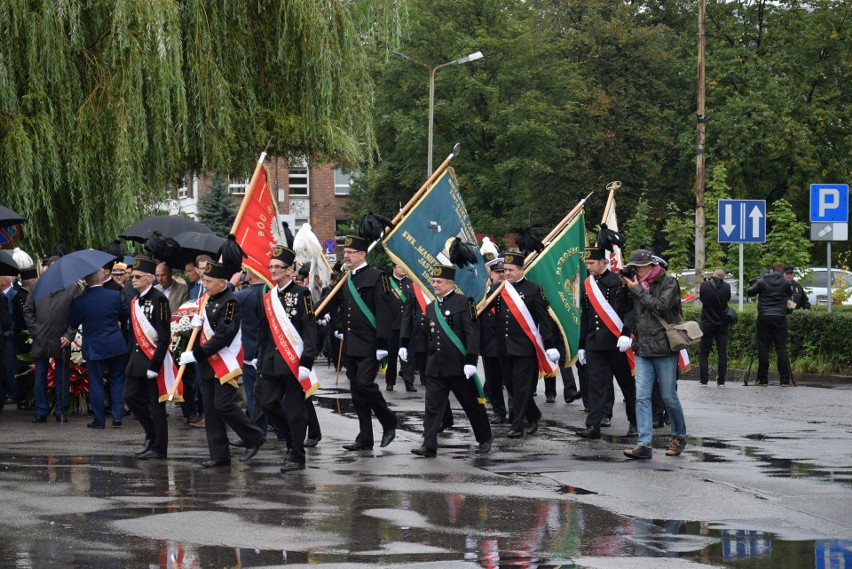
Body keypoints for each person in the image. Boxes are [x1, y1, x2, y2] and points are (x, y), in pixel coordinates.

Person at [178, 260, 266, 467]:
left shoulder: (230, 302)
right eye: (204, 280)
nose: (205, 284)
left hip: (225, 362)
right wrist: (195, 326)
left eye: (209, 281)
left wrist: (196, 355)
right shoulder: (206, 300)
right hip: (208, 363)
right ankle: (219, 454)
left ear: (221, 282)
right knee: (210, 409)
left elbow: (224, 335)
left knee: (223, 404)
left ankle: (254, 437)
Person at [406, 265, 492, 457]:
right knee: (432, 408)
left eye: (439, 282)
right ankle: (428, 445)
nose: (435, 285)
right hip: (436, 367)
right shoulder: (430, 308)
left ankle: (484, 438)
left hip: (459, 366)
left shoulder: (464, 303)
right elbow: (430, 338)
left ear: (451, 283)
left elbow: (472, 333)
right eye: (434, 281)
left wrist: (471, 360)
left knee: (472, 405)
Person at [331, 235, 398, 451]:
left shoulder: (378, 277)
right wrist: (339, 328)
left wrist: (382, 343)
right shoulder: (346, 278)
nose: (346, 256)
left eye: (350, 253)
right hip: (351, 342)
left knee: (365, 384)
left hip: (370, 343)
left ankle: (388, 420)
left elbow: (385, 311)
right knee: (357, 393)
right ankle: (365, 437)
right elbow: (343, 307)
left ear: (362, 255)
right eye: (345, 252)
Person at [256, 246, 319, 472]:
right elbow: (265, 332)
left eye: (277, 267)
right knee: (268, 404)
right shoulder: (268, 297)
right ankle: (292, 442)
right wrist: (259, 358)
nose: (273, 270)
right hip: (272, 361)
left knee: (295, 411)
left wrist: (306, 362)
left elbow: (310, 330)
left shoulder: (302, 294)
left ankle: (297, 455)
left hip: (294, 362)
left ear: (290, 270)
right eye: (271, 266)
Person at [620, 249, 687, 460]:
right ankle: (644, 443)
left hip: (664, 348)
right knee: (641, 397)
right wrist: (624, 289)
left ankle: (678, 437)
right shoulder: (636, 284)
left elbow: (662, 307)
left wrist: (637, 289)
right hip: (643, 348)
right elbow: (622, 309)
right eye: (634, 268)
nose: (636, 271)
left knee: (668, 396)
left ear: (650, 266)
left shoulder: (668, 283)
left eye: (639, 268)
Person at [492, 251, 561, 438]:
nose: (507, 273)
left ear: (521, 270)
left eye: (511, 270)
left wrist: (550, 344)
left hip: (524, 347)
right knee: (511, 386)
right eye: (505, 270)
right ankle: (533, 415)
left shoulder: (533, 289)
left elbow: (543, 319)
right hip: (503, 347)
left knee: (521, 387)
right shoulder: (497, 289)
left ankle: (517, 425)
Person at [576, 246, 637, 439]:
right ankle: (593, 425)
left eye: (591, 263)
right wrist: (581, 344)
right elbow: (586, 316)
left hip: (616, 343)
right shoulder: (587, 284)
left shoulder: (617, 281)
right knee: (595, 385)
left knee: (627, 385)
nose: (589, 267)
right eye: (586, 264)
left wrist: (626, 333)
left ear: (603, 262)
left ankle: (635, 423)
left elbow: (629, 310)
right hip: (595, 343)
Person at [64, 270, 129, 428]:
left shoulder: (80, 301)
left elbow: (73, 321)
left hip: (94, 346)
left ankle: (99, 420)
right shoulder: (114, 295)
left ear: (86, 280)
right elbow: (125, 314)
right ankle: (117, 416)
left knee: (96, 383)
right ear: (101, 278)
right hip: (115, 344)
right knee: (116, 380)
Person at [124, 255, 172, 459]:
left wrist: (155, 364)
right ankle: (151, 434)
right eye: (132, 276)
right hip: (136, 360)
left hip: (153, 361)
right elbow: (132, 335)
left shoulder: (159, 300)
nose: (133, 279)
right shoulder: (135, 301)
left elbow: (164, 336)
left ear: (149, 278)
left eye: (137, 276)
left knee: (156, 405)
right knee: (130, 397)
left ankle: (160, 448)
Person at [23, 256, 80, 423]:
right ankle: (41, 411)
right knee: (39, 376)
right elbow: (28, 311)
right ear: (47, 268)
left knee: (62, 377)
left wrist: (69, 335)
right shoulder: (36, 286)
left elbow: (76, 316)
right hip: (41, 338)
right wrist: (35, 331)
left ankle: (61, 411)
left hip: (61, 338)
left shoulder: (72, 288)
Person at [747, 262, 794, 386]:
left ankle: (763, 379)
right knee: (781, 348)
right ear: (782, 271)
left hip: (764, 316)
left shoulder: (762, 281)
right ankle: (784, 380)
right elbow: (790, 294)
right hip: (779, 317)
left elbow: (750, 292)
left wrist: (758, 280)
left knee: (763, 348)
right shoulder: (785, 282)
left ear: (771, 270)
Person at [479, 257, 508, 424]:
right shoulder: (484, 293)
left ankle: (517, 413)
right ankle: (499, 412)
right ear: (491, 274)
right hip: (489, 344)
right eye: (498, 272)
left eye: (504, 272)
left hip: (508, 345)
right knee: (493, 381)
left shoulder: (512, 293)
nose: (501, 275)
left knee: (512, 382)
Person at [386, 263, 417, 392]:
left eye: (404, 267)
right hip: (392, 325)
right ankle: (390, 381)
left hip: (408, 326)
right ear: (394, 268)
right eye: (400, 267)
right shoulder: (387, 283)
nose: (403, 269)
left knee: (408, 356)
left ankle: (409, 382)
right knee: (392, 356)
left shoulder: (411, 283)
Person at [699, 268, 732, 387]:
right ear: (723, 277)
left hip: (707, 323)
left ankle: (703, 380)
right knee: (722, 353)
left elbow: (702, 299)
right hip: (722, 324)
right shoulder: (727, 287)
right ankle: (721, 381)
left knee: (704, 353)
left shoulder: (704, 286)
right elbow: (727, 300)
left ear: (713, 275)